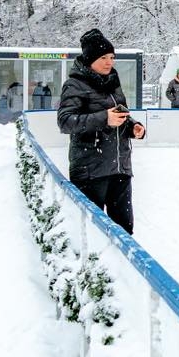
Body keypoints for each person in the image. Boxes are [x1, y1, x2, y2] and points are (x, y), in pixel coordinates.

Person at [57, 29, 146, 234]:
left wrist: (133, 126)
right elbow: (65, 122)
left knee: (124, 231)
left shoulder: (113, 82)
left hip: (120, 168)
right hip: (91, 171)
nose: (109, 62)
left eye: (112, 57)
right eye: (103, 57)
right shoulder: (75, 85)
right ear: (90, 59)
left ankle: (123, 268)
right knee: (92, 232)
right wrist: (104, 118)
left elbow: (120, 114)